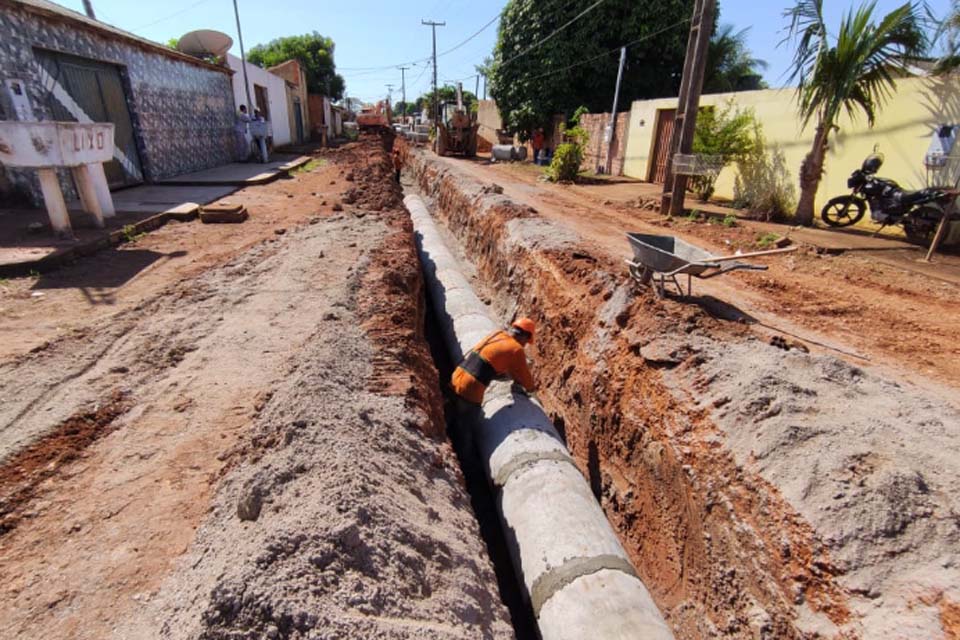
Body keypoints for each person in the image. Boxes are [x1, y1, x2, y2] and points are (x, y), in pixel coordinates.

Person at [450, 317, 538, 406]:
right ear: (524, 337)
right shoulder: (516, 349)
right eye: (526, 342)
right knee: (468, 418)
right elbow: (524, 375)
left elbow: (488, 362)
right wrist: (531, 390)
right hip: (470, 389)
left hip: (456, 376)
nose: (525, 345)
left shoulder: (497, 334)